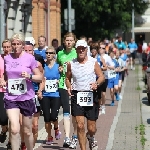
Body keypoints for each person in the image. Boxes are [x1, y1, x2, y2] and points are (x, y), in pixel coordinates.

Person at [0, 33, 43, 150]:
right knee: (14, 129)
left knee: (27, 131)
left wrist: (29, 76)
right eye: (13, 44)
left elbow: (40, 77)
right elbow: (5, 75)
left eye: (18, 44)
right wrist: (2, 80)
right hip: (11, 97)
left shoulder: (30, 58)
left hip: (26, 97)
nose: (15, 46)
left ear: (23, 45)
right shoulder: (7, 58)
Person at [65, 40, 105, 150]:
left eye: (83, 48)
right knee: (80, 125)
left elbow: (101, 76)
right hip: (77, 95)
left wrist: (96, 83)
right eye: (79, 48)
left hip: (91, 95)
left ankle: (90, 136)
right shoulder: (71, 64)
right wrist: (69, 86)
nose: (81, 50)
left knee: (91, 127)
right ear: (76, 49)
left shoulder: (93, 62)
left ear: (86, 49)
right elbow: (67, 79)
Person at [19, 37, 44, 149]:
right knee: (22, 125)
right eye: (26, 50)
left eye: (30, 51)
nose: (28, 53)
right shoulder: (18, 63)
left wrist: (40, 91)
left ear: (33, 51)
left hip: (34, 96)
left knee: (34, 126)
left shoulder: (37, 64)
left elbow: (43, 79)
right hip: (22, 95)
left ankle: (31, 146)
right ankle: (24, 144)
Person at [57, 32, 77, 147]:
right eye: (67, 40)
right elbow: (58, 66)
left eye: (71, 40)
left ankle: (74, 136)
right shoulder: (60, 54)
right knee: (66, 110)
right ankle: (67, 137)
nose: (69, 42)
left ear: (74, 41)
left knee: (75, 112)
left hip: (75, 84)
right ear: (64, 42)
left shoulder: (77, 52)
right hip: (63, 84)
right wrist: (59, 68)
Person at [38, 46, 61, 145]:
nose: (48, 54)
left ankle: (56, 128)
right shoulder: (43, 66)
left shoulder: (58, 66)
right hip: (45, 94)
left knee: (54, 117)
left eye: (50, 53)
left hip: (56, 94)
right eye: (47, 53)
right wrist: (40, 91)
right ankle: (49, 136)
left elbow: (64, 78)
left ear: (54, 54)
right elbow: (41, 79)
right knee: (47, 118)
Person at [0, 39, 12, 150]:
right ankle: (4, 130)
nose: (6, 49)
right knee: (2, 118)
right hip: (1, 90)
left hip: (12, 91)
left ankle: (10, 142)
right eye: (4, 47)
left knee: (12, 118)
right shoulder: (0, 58)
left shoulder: (14, 58)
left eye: (8, 47)